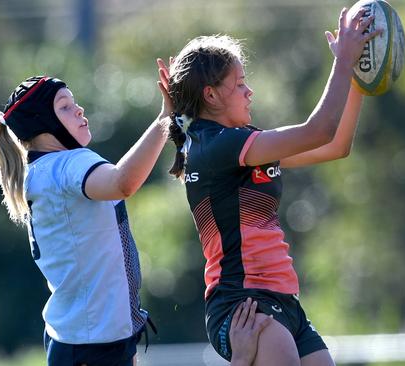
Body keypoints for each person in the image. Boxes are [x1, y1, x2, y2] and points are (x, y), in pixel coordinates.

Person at [160, 7, 382, 366]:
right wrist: (343, 62)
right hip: (244, 303)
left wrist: (357, 78)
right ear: (211, 96)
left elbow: (335, 146)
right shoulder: (217, 146)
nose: (250, 91)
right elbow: (318, 130)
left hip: (282, 300)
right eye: (240, 83)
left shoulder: (239, 144)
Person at [0, 62, 173, 366]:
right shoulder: (68, 164)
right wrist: (166, 117)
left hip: (92, 339)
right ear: (42, 123)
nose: (79, 110)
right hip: (93, 344)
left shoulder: (45, 170)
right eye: (65, 106)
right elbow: (123, 183)